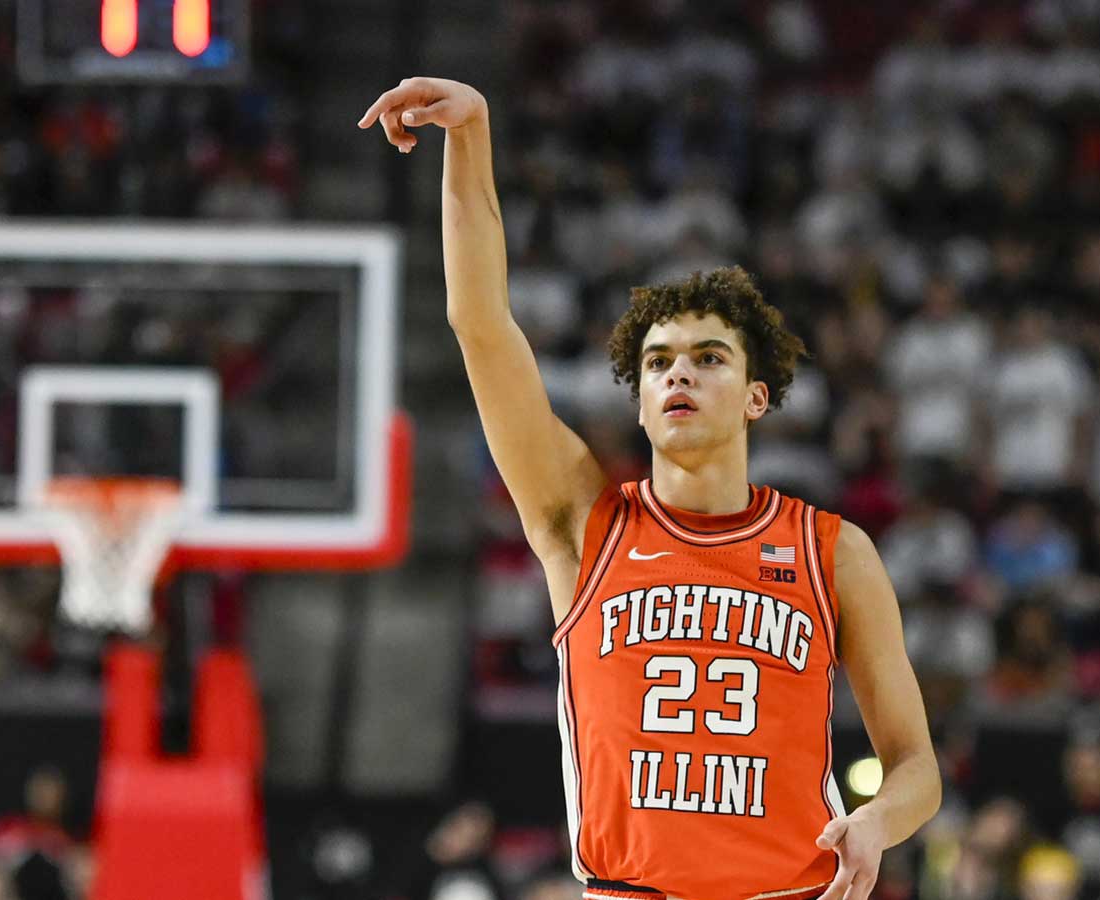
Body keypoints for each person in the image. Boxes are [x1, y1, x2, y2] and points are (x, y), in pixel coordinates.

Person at [359, 77, 940, 900]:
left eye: (709, 358)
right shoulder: (581, 522)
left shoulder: (834, 552)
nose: (679, 375)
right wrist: (472, 137)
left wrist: (877, 819)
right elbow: (481, 325)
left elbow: (917, 766)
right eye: (659, 362)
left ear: (757, 396)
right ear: (639, 401)